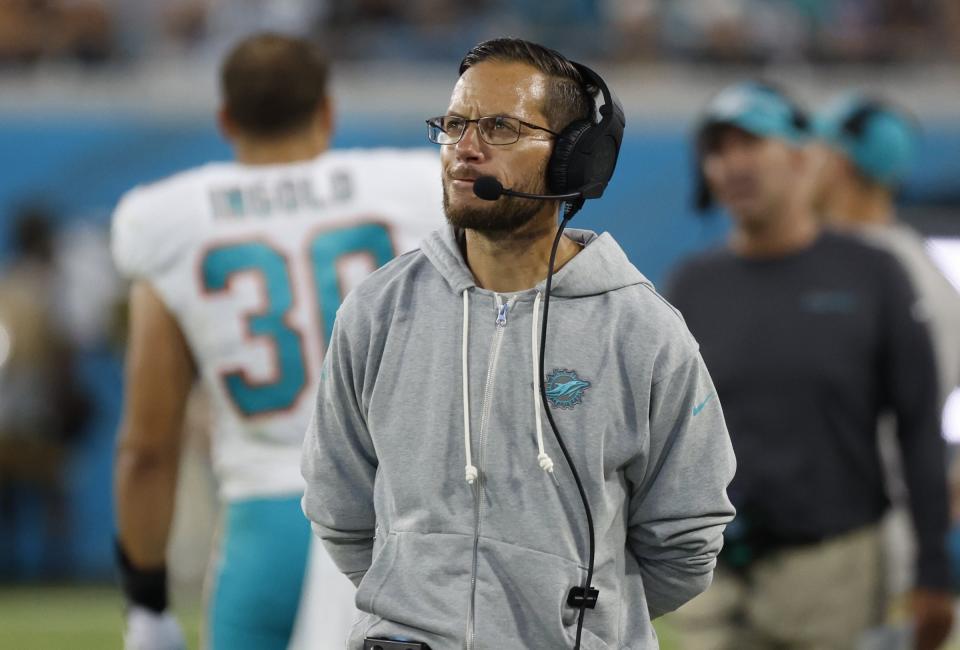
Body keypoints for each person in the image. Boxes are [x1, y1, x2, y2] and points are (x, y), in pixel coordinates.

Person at [301, 37, 736, 649]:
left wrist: (572, 620)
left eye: (500, 128)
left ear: (572, 160)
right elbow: (340, 511)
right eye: (454, 125)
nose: (465, 150)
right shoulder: (378, 310)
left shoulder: (643, 331)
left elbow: (685, 545)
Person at [111, 33, 442, 650]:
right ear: (326, 111)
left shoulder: (171, 219)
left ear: (226, 119)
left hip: (267, 526)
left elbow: (146, 447)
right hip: (395, 517)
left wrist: (147, 602)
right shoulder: (418, 189)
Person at [667, 82, 953, 650]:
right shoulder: (692, 285)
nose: (734, 163)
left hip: (832, 571)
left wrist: (933, 570)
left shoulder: (875, 274)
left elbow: (920, 430)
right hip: (713, 575)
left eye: (753, 143)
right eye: (719, 149)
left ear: (803, 158)